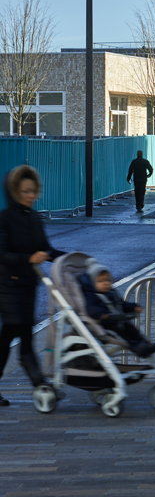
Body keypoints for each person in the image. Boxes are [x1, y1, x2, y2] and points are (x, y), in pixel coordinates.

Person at [0, 165, 65, 406]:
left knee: (9, 336)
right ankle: (40, 385)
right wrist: (29, 258)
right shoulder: (4, 219)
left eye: (33, 191)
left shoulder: (34, 218)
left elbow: (45, 249)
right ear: (14, 191)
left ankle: (40, 384)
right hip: (8, 286)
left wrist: (69, 258)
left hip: (28, 285)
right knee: (23, 334)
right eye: (25, 191)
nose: (30, 196)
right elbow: (2, 254)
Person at [78, 261, 155, 359]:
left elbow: (122, 304)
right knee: (123, 336)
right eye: (100, 281)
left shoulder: (112, 293)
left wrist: (133, 306)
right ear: (91, 283)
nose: (105, 283)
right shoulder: (91, 296)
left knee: (133, 330)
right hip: (107, 323)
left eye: (108, 280)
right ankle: (138, 348)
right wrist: (101, 314)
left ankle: (145, 344)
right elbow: (91, 308)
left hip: (119, 319)